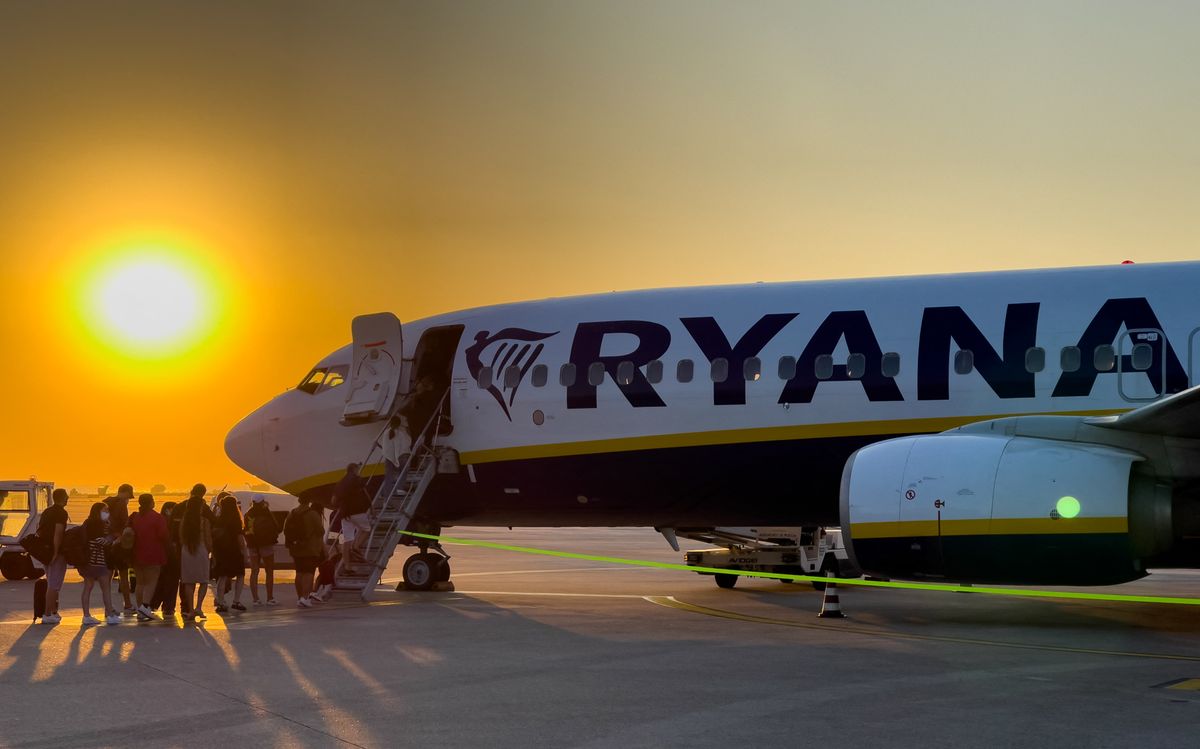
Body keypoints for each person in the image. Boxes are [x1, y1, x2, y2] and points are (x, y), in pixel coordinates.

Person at [78, 502, 118, 626]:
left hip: (87, 562)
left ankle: (86, 615)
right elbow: (106, 542)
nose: (107, 512)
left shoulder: (86, 523)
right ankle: (110, 615)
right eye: (105, 510)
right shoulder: (103, 525)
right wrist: (111, 537)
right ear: (98, 511)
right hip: (100, 562)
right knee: (106, 589)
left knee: (87, 588)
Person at [130, 493, 168, 621]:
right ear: (151, 502)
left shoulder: (135, 517)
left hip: (136, 553)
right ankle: (145, 606)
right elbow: (163, 535)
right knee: (151, 581)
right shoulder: (157, 518)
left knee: (140, 582)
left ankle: (140, 608)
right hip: (153, 553)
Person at [179, 485, 213, 621]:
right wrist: (210, 551)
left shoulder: (184, 521)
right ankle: (199, 607)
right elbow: (208, 539)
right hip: (201, 550)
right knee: (203, 580)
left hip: (187, 550)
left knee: (188, 582)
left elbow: (181, 537)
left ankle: (191, 609)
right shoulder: (204, 521)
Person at [36, 488, 70, 624]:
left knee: (52, 581)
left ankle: (53, 611)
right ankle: (47, 613)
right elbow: (58, 533)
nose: (68, 498)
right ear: (62, 498)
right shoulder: (61, 513)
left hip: (44, 551)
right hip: (55, 552)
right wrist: (55, 552)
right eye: (67, 496)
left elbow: (39, 529)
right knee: (54, 584)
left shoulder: (47, 511)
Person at [285, 495, 325, 608]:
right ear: (309, 501)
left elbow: (286, 530)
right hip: (310, 549)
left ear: (299, 500)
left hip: (296, 548)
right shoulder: (312, 514)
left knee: (299, 572)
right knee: (308, 573)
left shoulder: (292, 513)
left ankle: (300, 597)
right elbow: (320, 531)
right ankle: (305, 597)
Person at [211, 494, 248, 613]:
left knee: (222, 577)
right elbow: (240, 538)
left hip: (221, 552)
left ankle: (221, 602)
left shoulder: (218, 520)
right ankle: (236, 601)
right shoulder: (236, 521)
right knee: (240, 575)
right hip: (234, 552)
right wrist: (245, 552)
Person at [105, 484, 135, 616]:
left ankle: (108, 607)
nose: (128, 500)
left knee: (107, 577)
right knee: (124, 575)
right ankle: (127, 604)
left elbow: (104, 521)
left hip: (106, 540)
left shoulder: (106, 503)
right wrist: (120, 536)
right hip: (117, 542)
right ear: (124, 493)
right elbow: (123, 523)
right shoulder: (121, 504)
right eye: (128, 496)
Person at [245, 494, 278, 605]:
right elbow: (276, 526)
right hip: (266, 544)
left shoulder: (248, 514)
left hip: (252, 545)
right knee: (269, 571)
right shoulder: (266, 513)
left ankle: (256, 599)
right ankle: (270, 598)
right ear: (263, 501)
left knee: (254, 571)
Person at [149, 501, 181, 618]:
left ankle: (154, 604)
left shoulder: (160, 520)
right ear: (168, 510)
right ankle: (168, 607)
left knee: (161, 581)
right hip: (170, 555)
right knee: (171, 582)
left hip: (161, 556)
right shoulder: (168, 522)